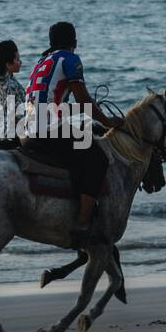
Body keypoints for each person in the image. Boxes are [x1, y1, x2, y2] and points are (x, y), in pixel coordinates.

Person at [22, 21, 123, 246]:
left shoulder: (42, 61)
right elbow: (84, 101)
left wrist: (88, 120)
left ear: (51, 42)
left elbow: (57, 102)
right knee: (98, 157)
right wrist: (107, 121)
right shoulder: (70, 59)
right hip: (48, 130)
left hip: (27, 131)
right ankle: (83, 222)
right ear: (74, 42)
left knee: (80, 142)